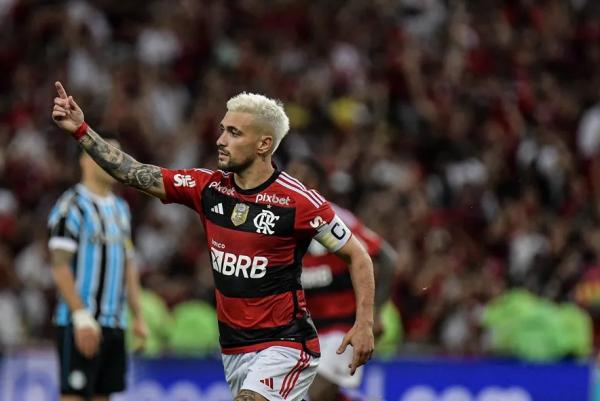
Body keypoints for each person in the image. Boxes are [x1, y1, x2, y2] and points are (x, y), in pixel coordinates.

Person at [51, 81, 376, 401]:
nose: (221, 140)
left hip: (286, 345)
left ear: (264, 145)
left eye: (234, 133)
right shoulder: (207, 188)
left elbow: (358, 255)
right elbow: (133, 172)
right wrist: (81, 130)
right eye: (222, 130)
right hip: (235, 349)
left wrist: (364, 323)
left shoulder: (298, 202)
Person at [47, 134, 148, 401]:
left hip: (114, 321)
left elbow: (128, 264)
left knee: (104, 395)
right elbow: (59, 265)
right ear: (86, 160)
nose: (115, 161)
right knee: (74, 395)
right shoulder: (72, 206)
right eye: (108, 154)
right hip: (81, 320)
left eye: (118, 156)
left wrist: (137, 315)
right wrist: (80, 316)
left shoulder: (121, 209)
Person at [288, 158, 396, 401]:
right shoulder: (280, 222)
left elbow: (387, 258)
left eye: (299, 176)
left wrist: (374, 315)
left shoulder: (334, 218)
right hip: (308, 333)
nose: (290, 181)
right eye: (289, 175)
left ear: (315, 184)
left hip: (344, 328)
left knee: (310, 395)